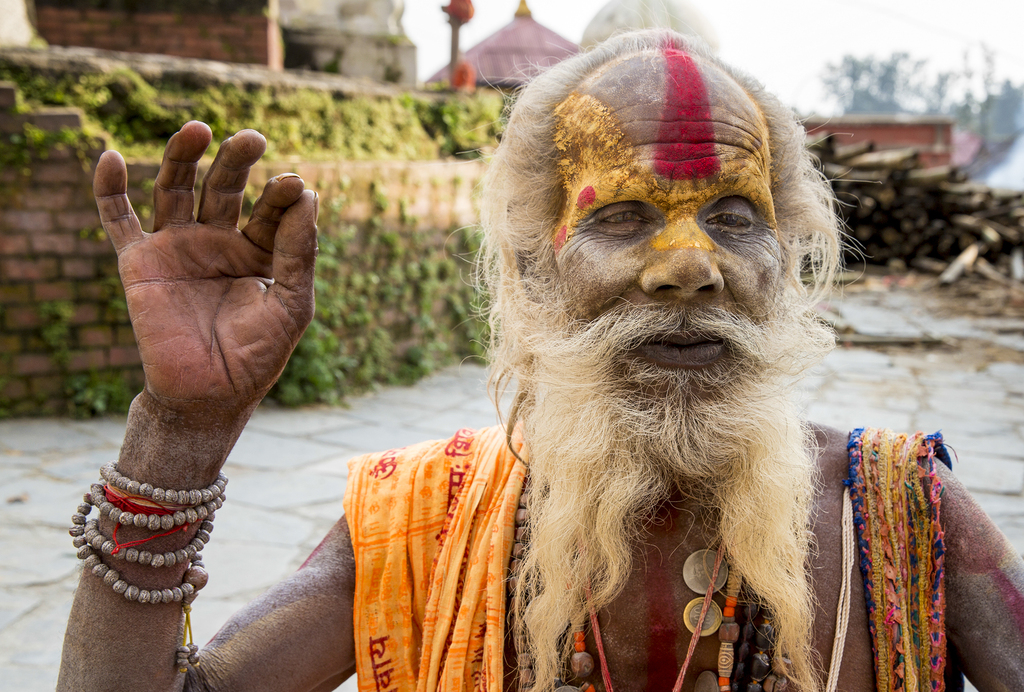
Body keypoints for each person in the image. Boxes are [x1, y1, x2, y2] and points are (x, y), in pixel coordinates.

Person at [58, 30, 1024, 692]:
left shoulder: (901, 515)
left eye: (736, 219)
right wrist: (179, 434)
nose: (689, 267)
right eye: (622, 217)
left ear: (788, 262)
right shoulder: (418, 521)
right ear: (533, 266)